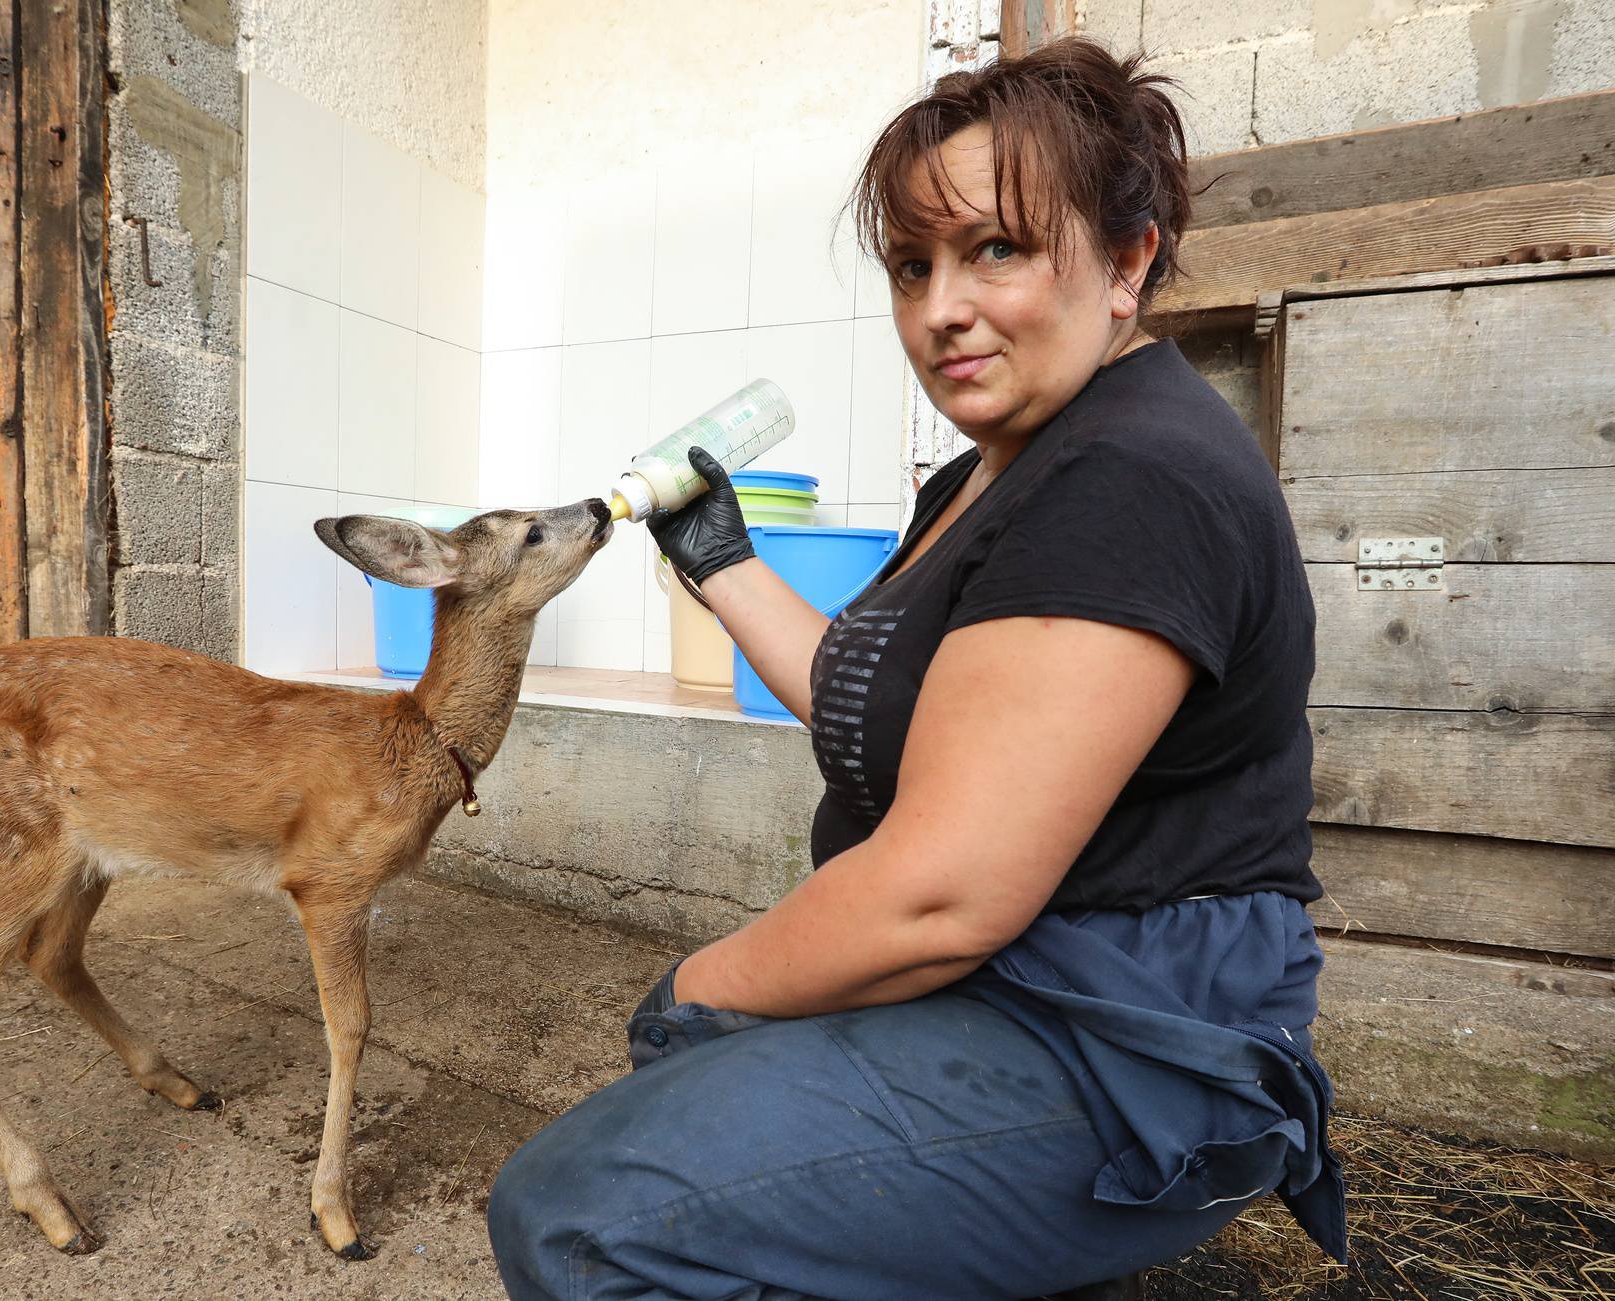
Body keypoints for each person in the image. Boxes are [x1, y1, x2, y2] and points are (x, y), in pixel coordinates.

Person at [487, 37, 1347, 1301]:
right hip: (1014, 988)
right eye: (912, 264)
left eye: (994, 247)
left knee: (577, 1214)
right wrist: (718, 560)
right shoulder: (988, 469)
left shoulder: (1133, 476)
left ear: (1127, 260)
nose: (940, 307)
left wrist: (694, 987)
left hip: (1117, 1035)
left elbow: (942, 896)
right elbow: (883, 701)